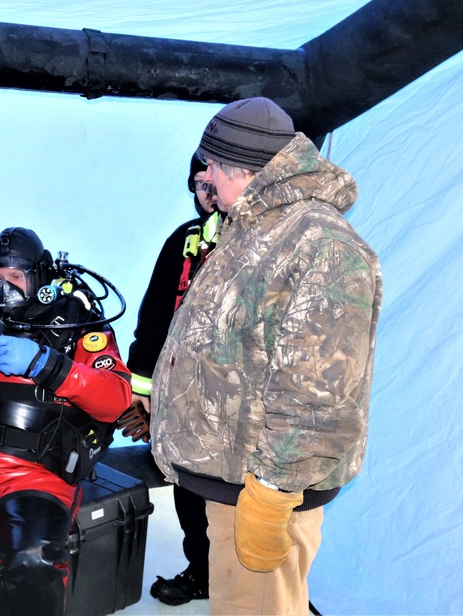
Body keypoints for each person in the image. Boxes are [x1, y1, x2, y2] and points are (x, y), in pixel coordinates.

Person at [150, 97, 382, 615]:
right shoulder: (253, 229)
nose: (205, 178)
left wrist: (272, 495)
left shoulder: (319, 244)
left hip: (262, 489)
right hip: (233, 477)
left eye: (211, 166)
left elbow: (319, 391)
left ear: (246, 170)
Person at [0, 227, 132, 615]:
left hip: (35, 474)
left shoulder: (74, 324)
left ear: (39, 279)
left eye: (15, 279)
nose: (4, 291)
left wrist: (45, 364)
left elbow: (115, 400)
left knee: (36, 563)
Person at [119, 153, 220, 605]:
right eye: (200, 183)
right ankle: (201, 572)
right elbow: (153, 318)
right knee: (188, 490)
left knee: (232, 502)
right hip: (181, 401)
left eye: (214, 180)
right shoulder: (184, 242)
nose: (209, 192)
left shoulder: (260, 244)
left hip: (234, 405)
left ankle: (238, 584)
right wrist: (142, 394)